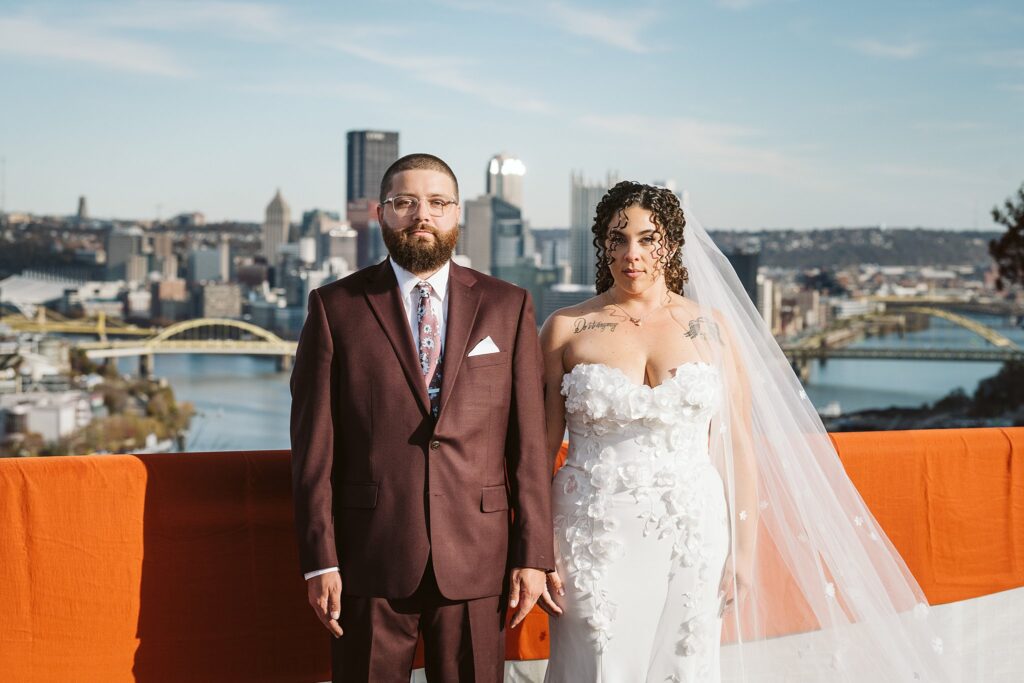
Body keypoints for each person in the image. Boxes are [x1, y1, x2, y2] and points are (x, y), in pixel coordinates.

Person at [538, 182, 949, 682]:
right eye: (617, 239)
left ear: (672, 244)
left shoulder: (712, 329)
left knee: (683, 666)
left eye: (649, 239)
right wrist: (535, 553)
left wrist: (744, 551)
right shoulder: (565, 328)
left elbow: (737, 443)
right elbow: (538, 452)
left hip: (692, 535)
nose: (633, 254)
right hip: (589, 534)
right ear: (602, 245)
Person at [290, 153, 557, 683]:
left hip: (479, 557)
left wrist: (534, 554)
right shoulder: (334, 307)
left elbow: (528, 445)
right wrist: (320, 560)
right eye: (405, 203)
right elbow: (313, 451)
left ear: (457, 213)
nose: (422, 215)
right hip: (370, 558)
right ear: (380, 213)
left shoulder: (509, 306)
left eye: (437, 203)